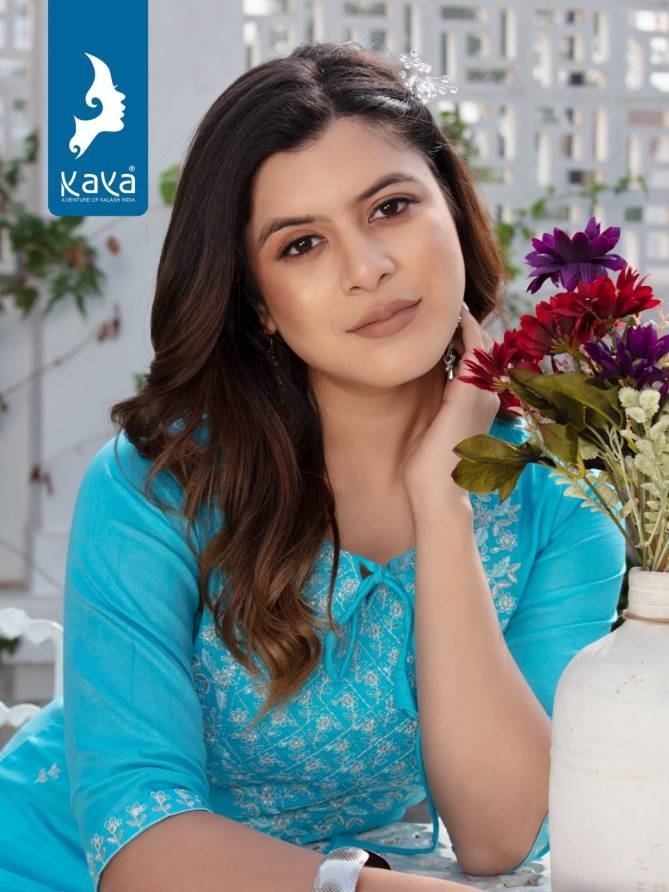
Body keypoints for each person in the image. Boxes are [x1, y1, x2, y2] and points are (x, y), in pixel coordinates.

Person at [0, 40, 627, 892]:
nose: (368, 268)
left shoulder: (561, 503)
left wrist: (442, 504)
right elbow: (137, 839)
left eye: (391, 207)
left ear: (452, 207)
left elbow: (499, 836)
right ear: (258, 302)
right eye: (300, 245)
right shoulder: (157, 486)